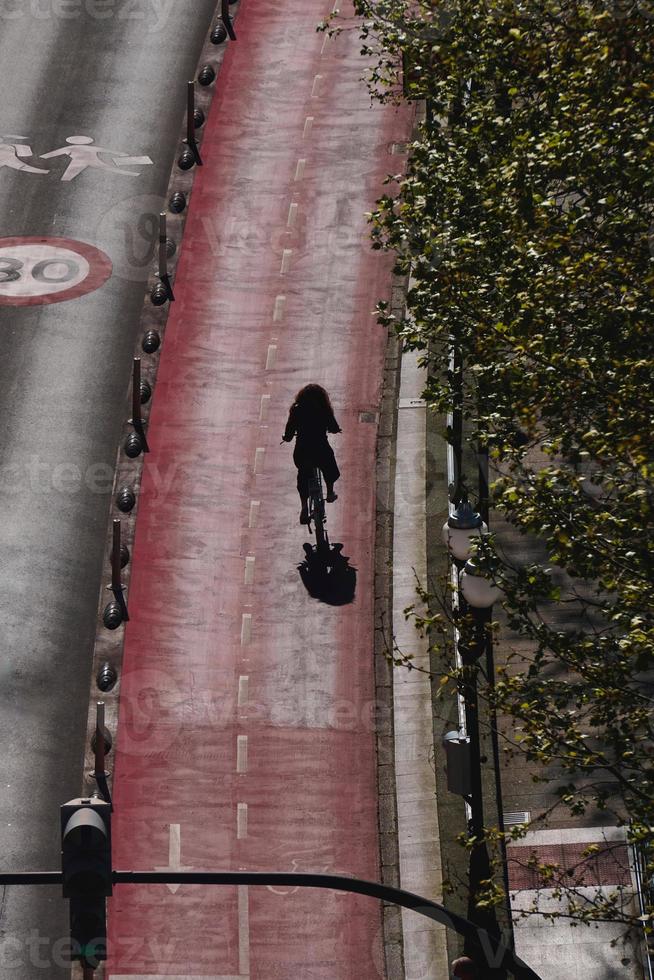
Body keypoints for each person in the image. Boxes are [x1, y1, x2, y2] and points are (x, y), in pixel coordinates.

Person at [282, 384, 341, 524]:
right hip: (320, 448)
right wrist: (335, 430)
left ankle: (303, 508)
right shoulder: (324, 409)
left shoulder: (296, 409)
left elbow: (289, 432)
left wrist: (286, 438)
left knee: (303, 475)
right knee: (329, 466)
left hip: (303, 450)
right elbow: (333, 427)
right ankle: (330, 492)